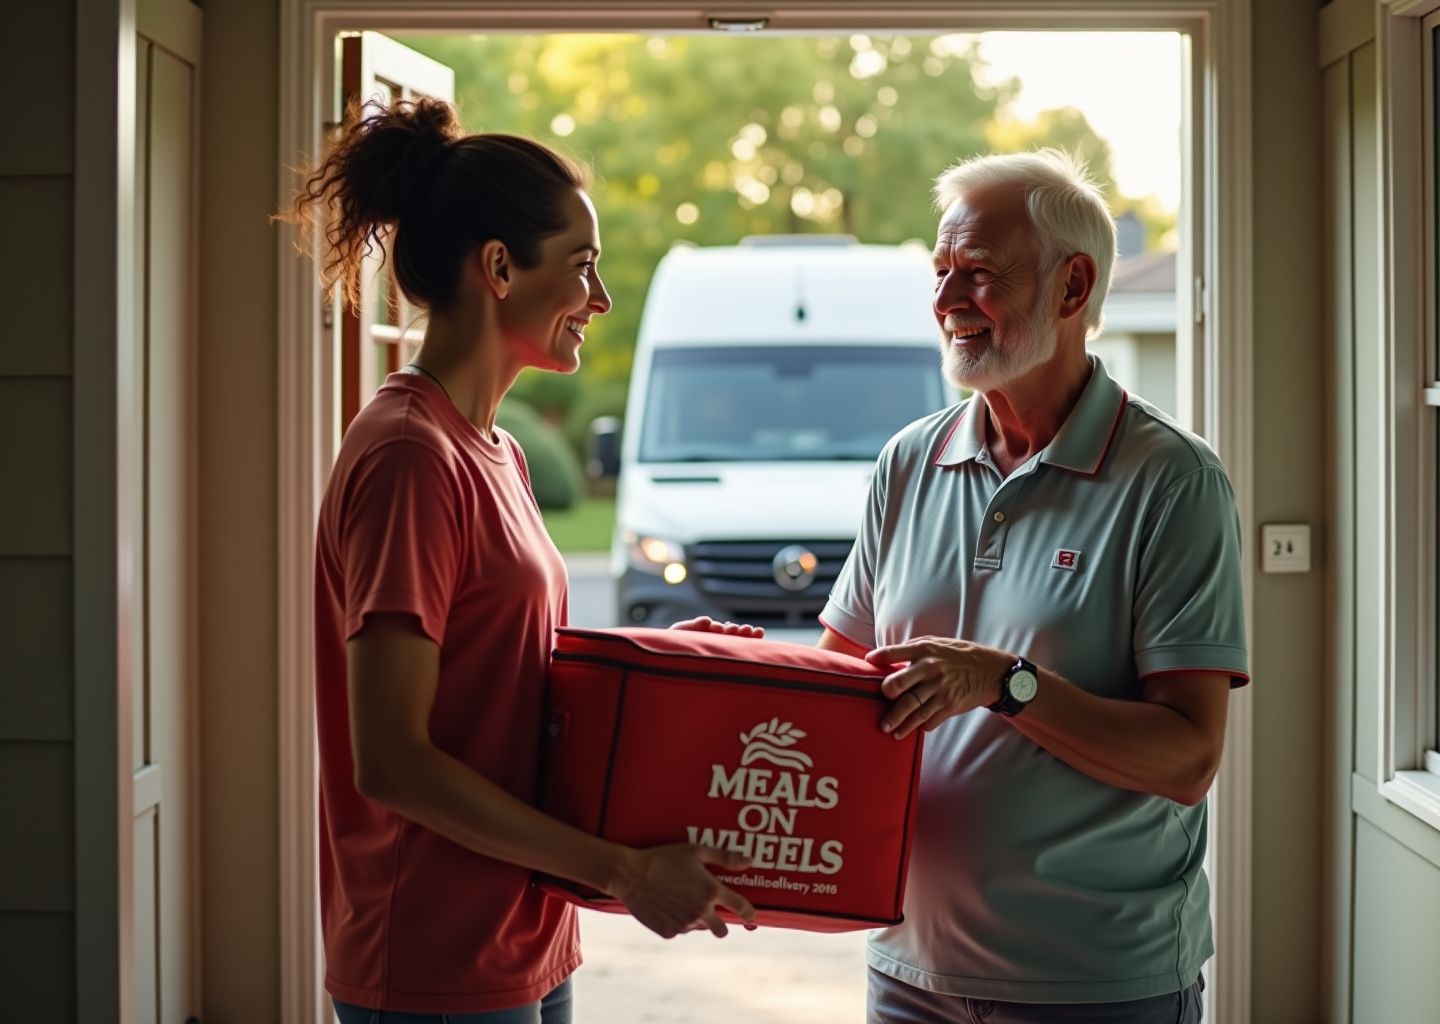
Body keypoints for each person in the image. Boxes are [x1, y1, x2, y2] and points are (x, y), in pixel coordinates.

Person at [284, 97, 758, 1024]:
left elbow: (497, 676)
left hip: (524, 930)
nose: (601, 299)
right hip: (431, 956)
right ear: (499, 268)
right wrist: (623, 871)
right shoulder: (410, 456)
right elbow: (392, 760)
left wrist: (655, 672)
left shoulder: (490, 449)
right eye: (583, 268)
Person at [817, 149, 1247, 1024]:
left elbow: (1188, 759)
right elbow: (843, 690)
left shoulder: (1173, 481)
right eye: (940, 274)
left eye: (976, 274)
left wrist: (1005, 683)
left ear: (1072, 287)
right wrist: (718, 670)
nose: (944, 304)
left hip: (1094, 983)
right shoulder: (909, 460)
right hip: (907, 970)